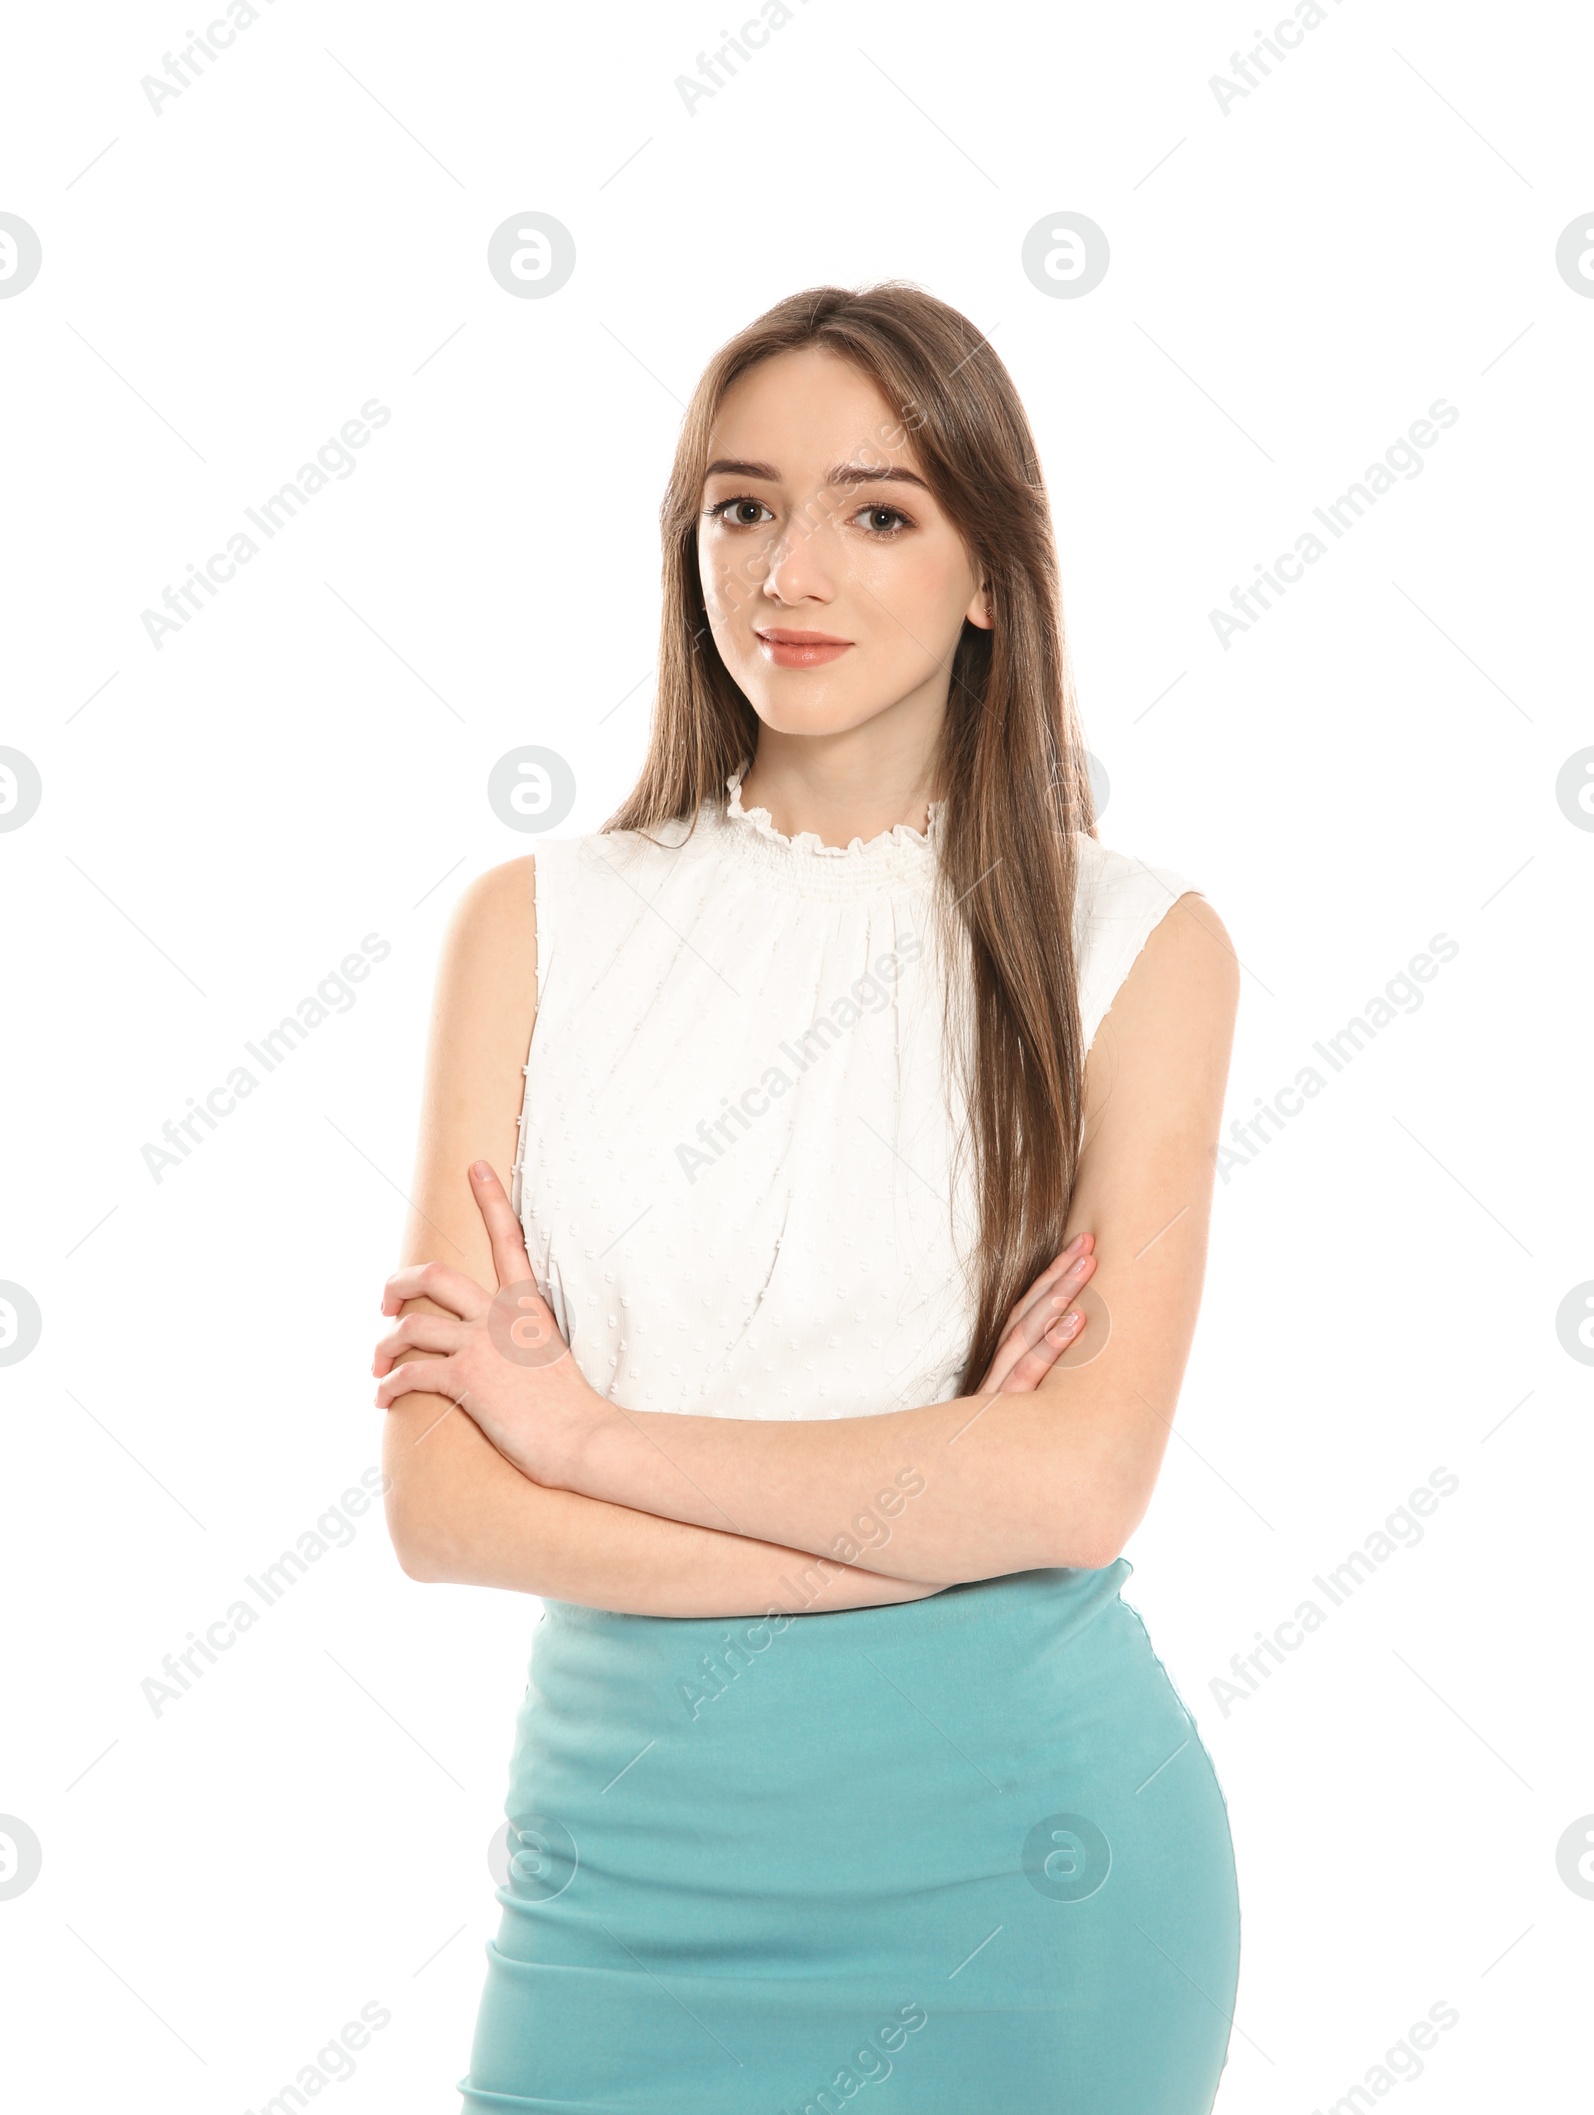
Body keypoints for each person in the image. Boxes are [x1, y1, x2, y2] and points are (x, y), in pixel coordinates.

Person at [373, 282, 1242, 2114]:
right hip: (618, 1882)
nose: (794, 569)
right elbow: (445, 1508)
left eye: (879, 511)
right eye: (742, 506)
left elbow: (1079, 1482)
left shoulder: (1137, 945)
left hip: (1026, 1880)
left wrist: (588, 1438)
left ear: (990, 569)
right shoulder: (533, 927)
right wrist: (921, 1512)